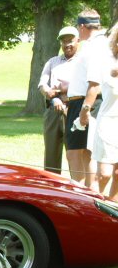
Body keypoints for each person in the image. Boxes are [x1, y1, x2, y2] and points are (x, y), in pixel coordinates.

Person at [66, 9, 107, 187]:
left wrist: (85, 109)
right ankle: (86, 195)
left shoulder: (94, 46)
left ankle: (84, 197)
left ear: (82, 26)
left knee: (76, 153)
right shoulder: (99, 44)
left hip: (85, 102)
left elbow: (94, 82)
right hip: (83, 102)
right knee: (83, 153)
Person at [38, 27, 79, 174]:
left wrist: (60, 89)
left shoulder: (82, 61)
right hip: (53, 110)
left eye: (71, 40)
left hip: (75, 110)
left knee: (75, 154)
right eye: (64, 41)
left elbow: (82, 86)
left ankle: (77, 190)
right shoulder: (52, 62)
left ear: (78, 40)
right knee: (51, 154)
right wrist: (51, 95)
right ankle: (51, 189)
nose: (67, 44)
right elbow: (42, 84)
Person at [90, 28, 118, 197]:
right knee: (104, 174)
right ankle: (93, 209)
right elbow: (110, 78)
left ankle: (113, 214)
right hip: (108, 123)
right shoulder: (108, 62)